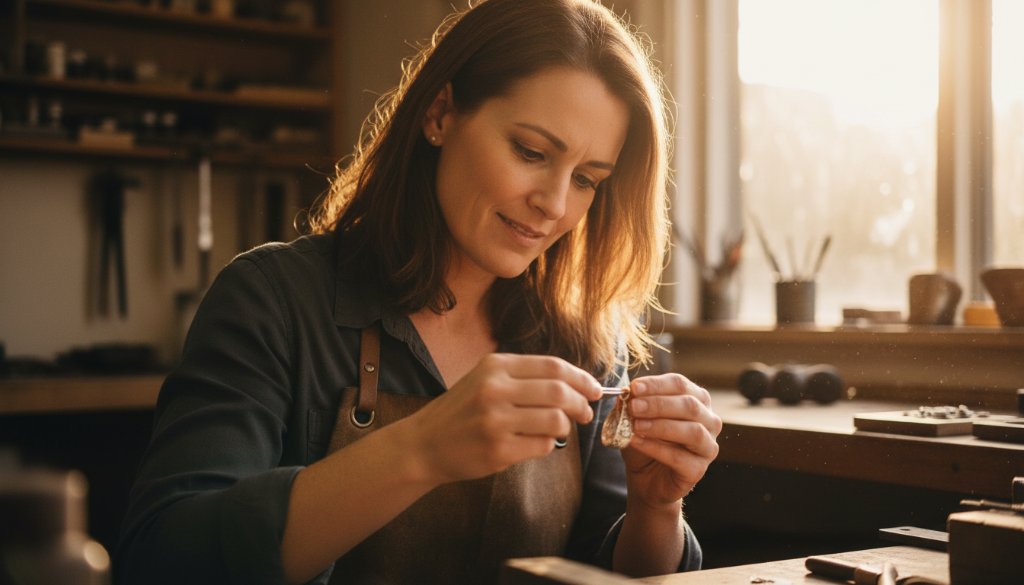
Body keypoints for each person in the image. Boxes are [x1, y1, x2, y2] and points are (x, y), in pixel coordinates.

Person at [114, 0, 722, 583]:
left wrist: (656, 512)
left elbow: (604, 572)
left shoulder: (584, 340)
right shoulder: (272, 301)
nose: (556, 204)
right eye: (531, 152)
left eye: (588, 180)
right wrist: (422, 448)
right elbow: (165, 558)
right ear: (439, 114)